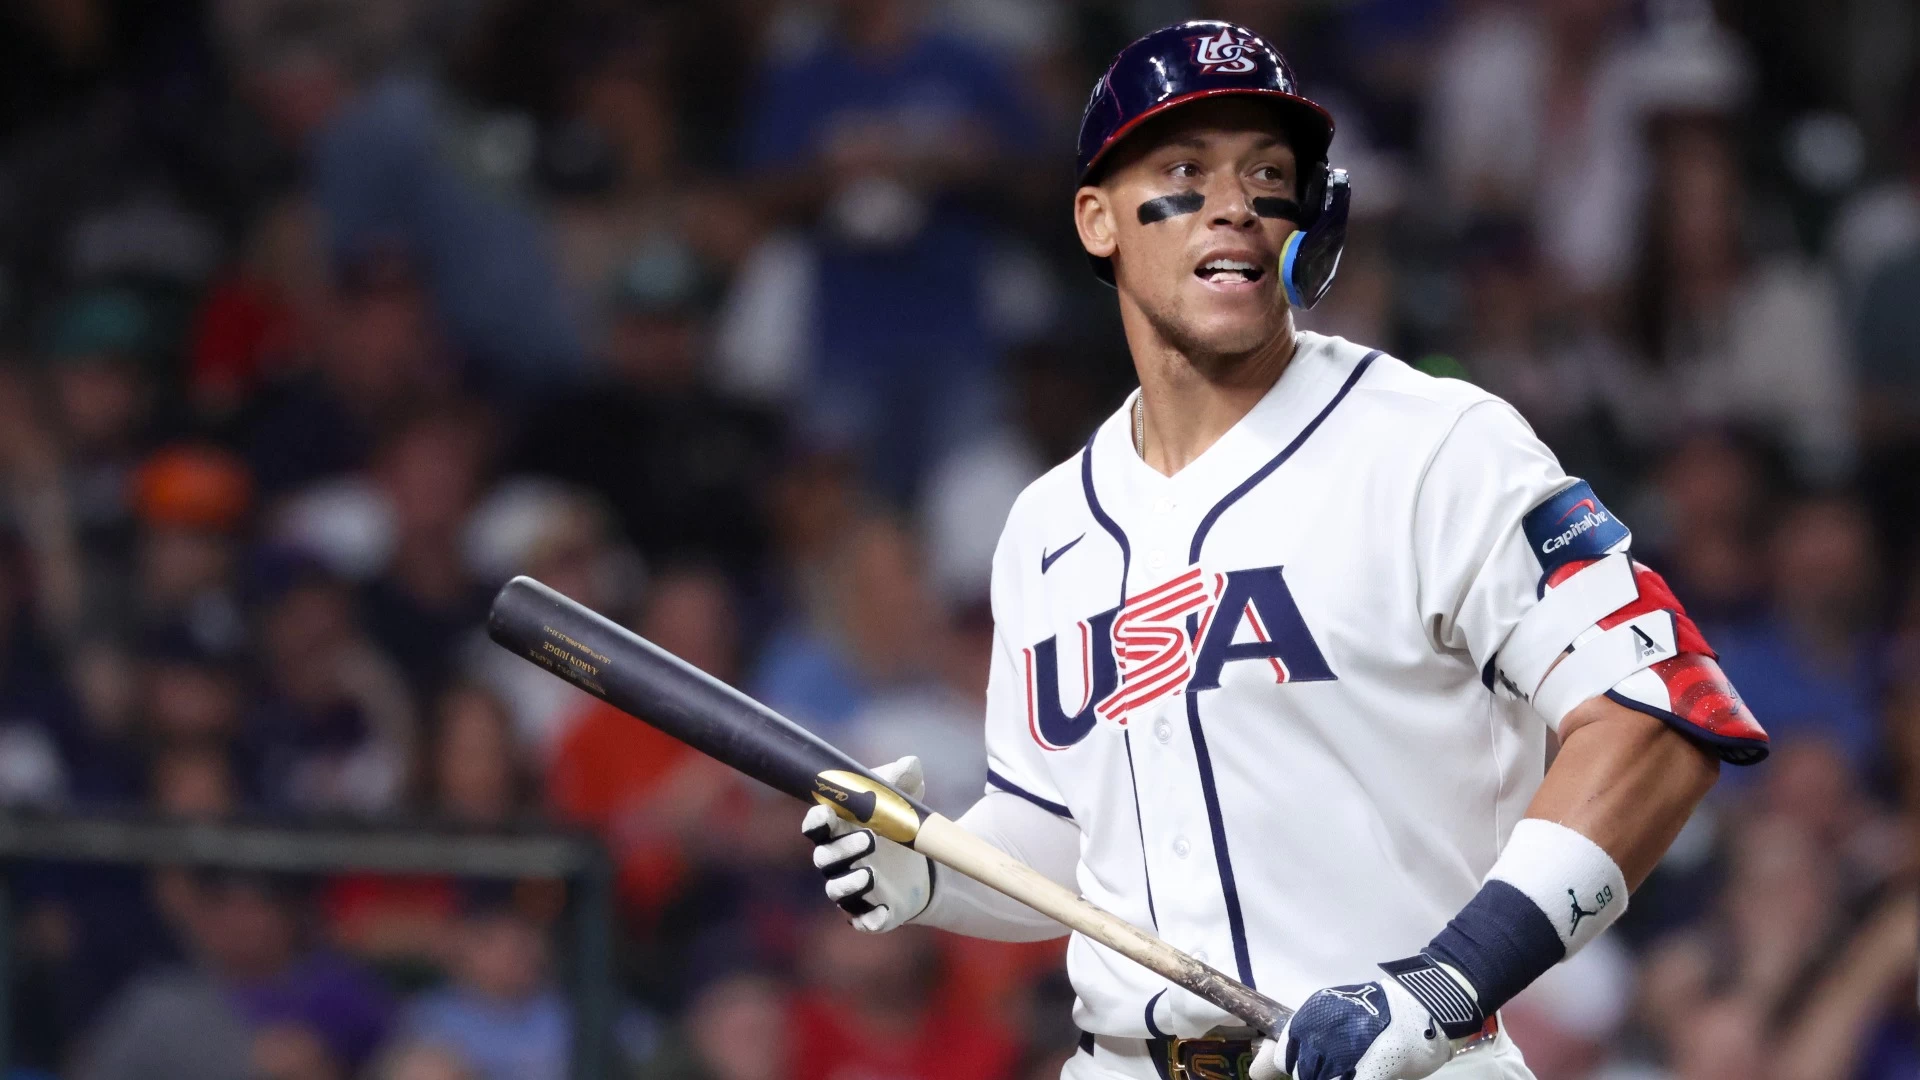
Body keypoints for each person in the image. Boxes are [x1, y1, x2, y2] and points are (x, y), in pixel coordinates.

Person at [799, 22, 1768, 1080]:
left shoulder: (1437, 446)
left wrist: (1446, 986)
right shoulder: (1046, 525)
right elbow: (1069, 841)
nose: (1235, 204)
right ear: (1097, 220)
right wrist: (934, 867)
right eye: (1184, 172)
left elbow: (1657, 713)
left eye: (1268, 173)